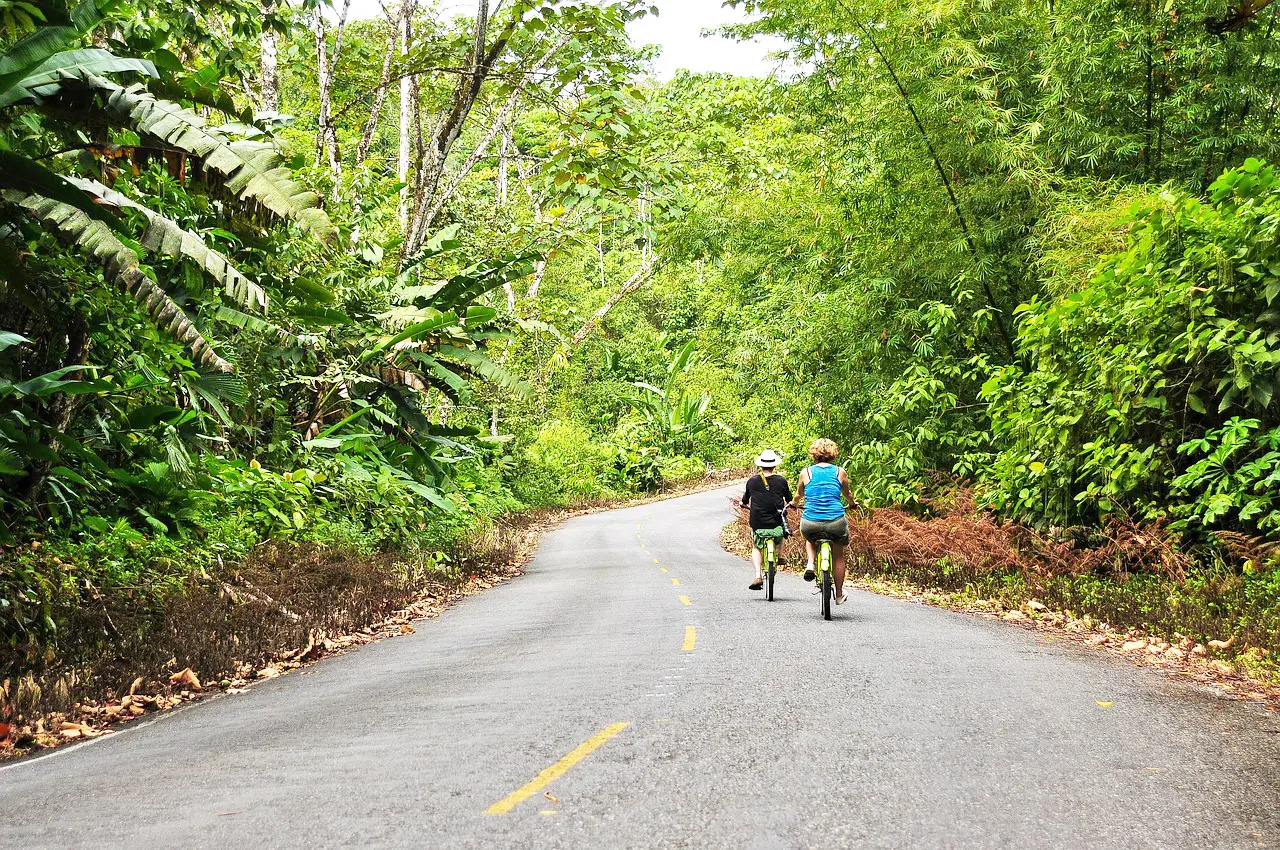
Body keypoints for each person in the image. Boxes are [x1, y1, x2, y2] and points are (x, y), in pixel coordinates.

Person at [794, 438, 857, 605]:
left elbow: (798, 495)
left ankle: (810, 564)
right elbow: (847, 493)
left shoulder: (805, 472)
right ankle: (838, 594)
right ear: (833, 453)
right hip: (836, 521)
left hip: (811, 522)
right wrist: (852, 504)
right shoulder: (840, 472)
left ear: (813, 454)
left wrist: (794, 504)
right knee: (838, 556)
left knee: (810, 538)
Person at [740, 449, 791, 591]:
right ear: (775, 465)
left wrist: (743, 504)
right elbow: (789, 500)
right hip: (776, 520)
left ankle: (758, 575)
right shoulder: (781, 480)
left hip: (758, 521)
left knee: (756, 546)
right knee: (782, 529)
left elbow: (745, 500)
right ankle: (780, 555)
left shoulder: (752, 481)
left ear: (761, 465)